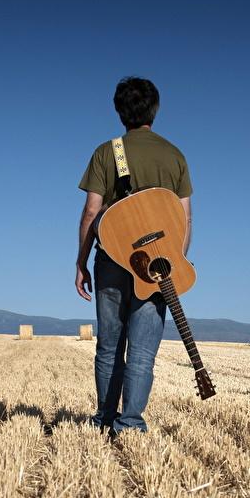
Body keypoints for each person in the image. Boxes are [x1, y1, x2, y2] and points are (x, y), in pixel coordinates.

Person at [76, 77, 193, 435]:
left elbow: (92, 213)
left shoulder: (106, 152)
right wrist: (169, 264)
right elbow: (184, 218)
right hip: (157, 267)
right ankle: (130, 424)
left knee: (109, 346)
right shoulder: (174, 156)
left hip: (111, 259)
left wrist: (81, 261)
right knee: (142, 352)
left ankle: (104, 420)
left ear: (119, 111)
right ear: (154, 111)